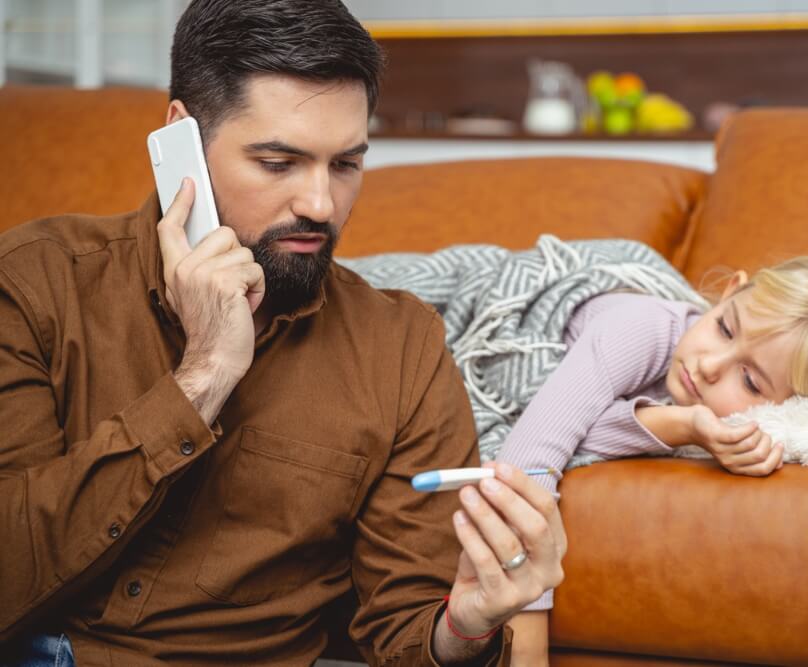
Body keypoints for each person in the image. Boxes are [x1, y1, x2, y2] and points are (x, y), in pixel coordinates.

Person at [0, 1, 565, 665]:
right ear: (181, 139)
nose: (320, 205)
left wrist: (465, 625)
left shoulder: (401, 347)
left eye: (346, 164)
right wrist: (202, 377)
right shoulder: (36, 282)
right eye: (278, 162)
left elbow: (407, 629)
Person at [496, 256, 808, 665]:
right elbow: (525, 462)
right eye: (724, 328)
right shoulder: (640, 328)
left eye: (750, 380)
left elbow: (572, 428)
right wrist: (527, 649)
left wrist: (681, 424)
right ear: (729, 291)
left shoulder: (715, 405)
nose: (710, 366)